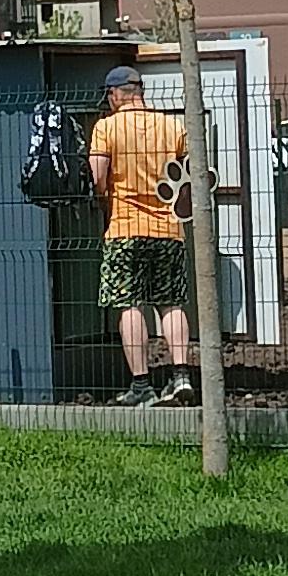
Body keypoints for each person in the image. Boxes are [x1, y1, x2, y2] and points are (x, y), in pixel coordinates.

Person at [88, 60, 195, 401]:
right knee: (171, 303)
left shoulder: (106, 128)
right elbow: (189, 178)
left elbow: (98, 177)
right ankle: (181, 377)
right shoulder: (172, 127)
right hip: (168, 229)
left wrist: (104, 199)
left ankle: (141, 385)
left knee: (129, 304)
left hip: (125, 228)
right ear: (140, 92)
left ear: (114, 94)